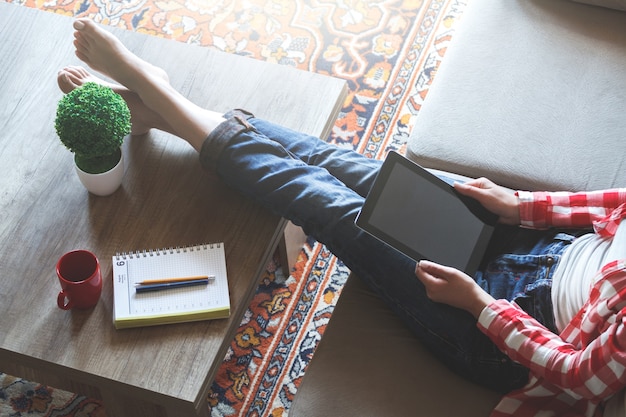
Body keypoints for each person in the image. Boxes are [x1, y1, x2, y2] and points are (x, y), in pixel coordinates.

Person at [59, 18, 626, 417]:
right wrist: (517, 205)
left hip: (501, 320)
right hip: (539, 246)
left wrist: (477, 304)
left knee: (329, 205)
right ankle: (166, 113)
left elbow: (579, 376)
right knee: (348, 167)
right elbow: (618, 204)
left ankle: (157, 94)